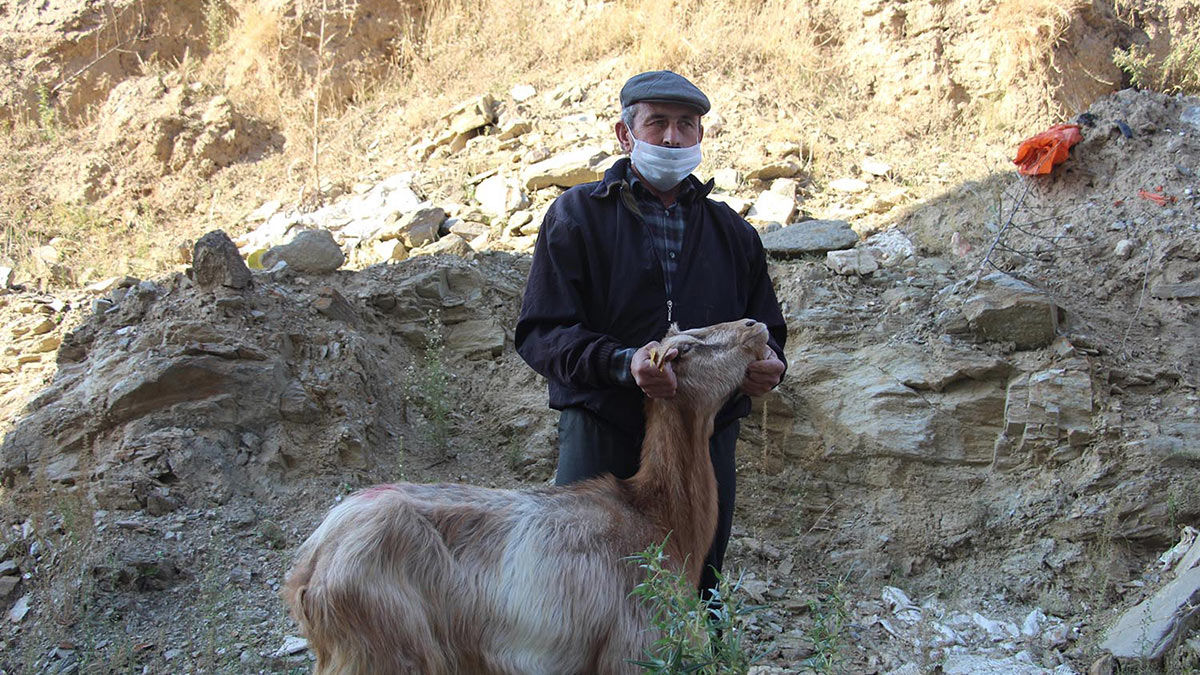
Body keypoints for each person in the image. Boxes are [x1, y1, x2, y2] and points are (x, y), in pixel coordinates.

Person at [515, 70, 787, 597]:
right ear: (625, 134)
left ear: (700, 136)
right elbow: (542, 331)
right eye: (657, 122)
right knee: (585, 586)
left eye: (686, 125)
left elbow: (767, 328)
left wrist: (769, 365)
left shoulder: (733, 232)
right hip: (603, 428)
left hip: (703, 438)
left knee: (695, 581)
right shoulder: (577, 217)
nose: (672, 138)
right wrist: (623, 363)